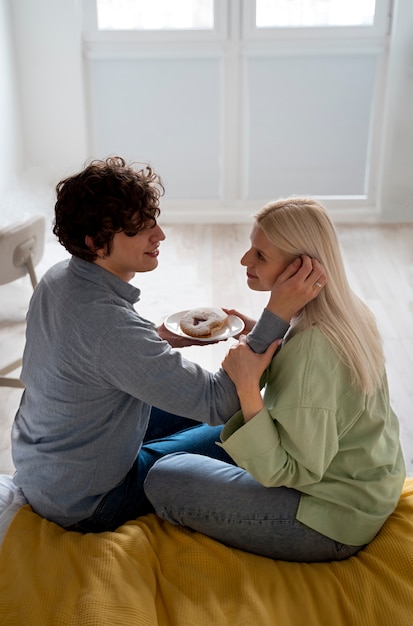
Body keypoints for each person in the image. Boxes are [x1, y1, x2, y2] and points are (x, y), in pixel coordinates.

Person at [11, 158, 325, 533]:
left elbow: (90, 360)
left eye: (153, 220)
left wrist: (157, 338)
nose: (159, 235)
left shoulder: (57, 279)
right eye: (140, 230)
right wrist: (279, 311)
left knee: (204, 409)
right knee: (246, 426)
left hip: (45, 469)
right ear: (96, 242)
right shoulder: (112, 330)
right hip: (87, 502)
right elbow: (220, 401)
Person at [144, 196, 406, 562]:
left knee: (163, 476)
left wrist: (248, 387)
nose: (245, 260)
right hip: (367, 489)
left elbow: (289, 471)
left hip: (328, 521)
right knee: (214, 430)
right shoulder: (346, 311)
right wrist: (268, 336)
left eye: (260, 255)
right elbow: (318, 392)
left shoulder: (314, 350)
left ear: (298, 269)